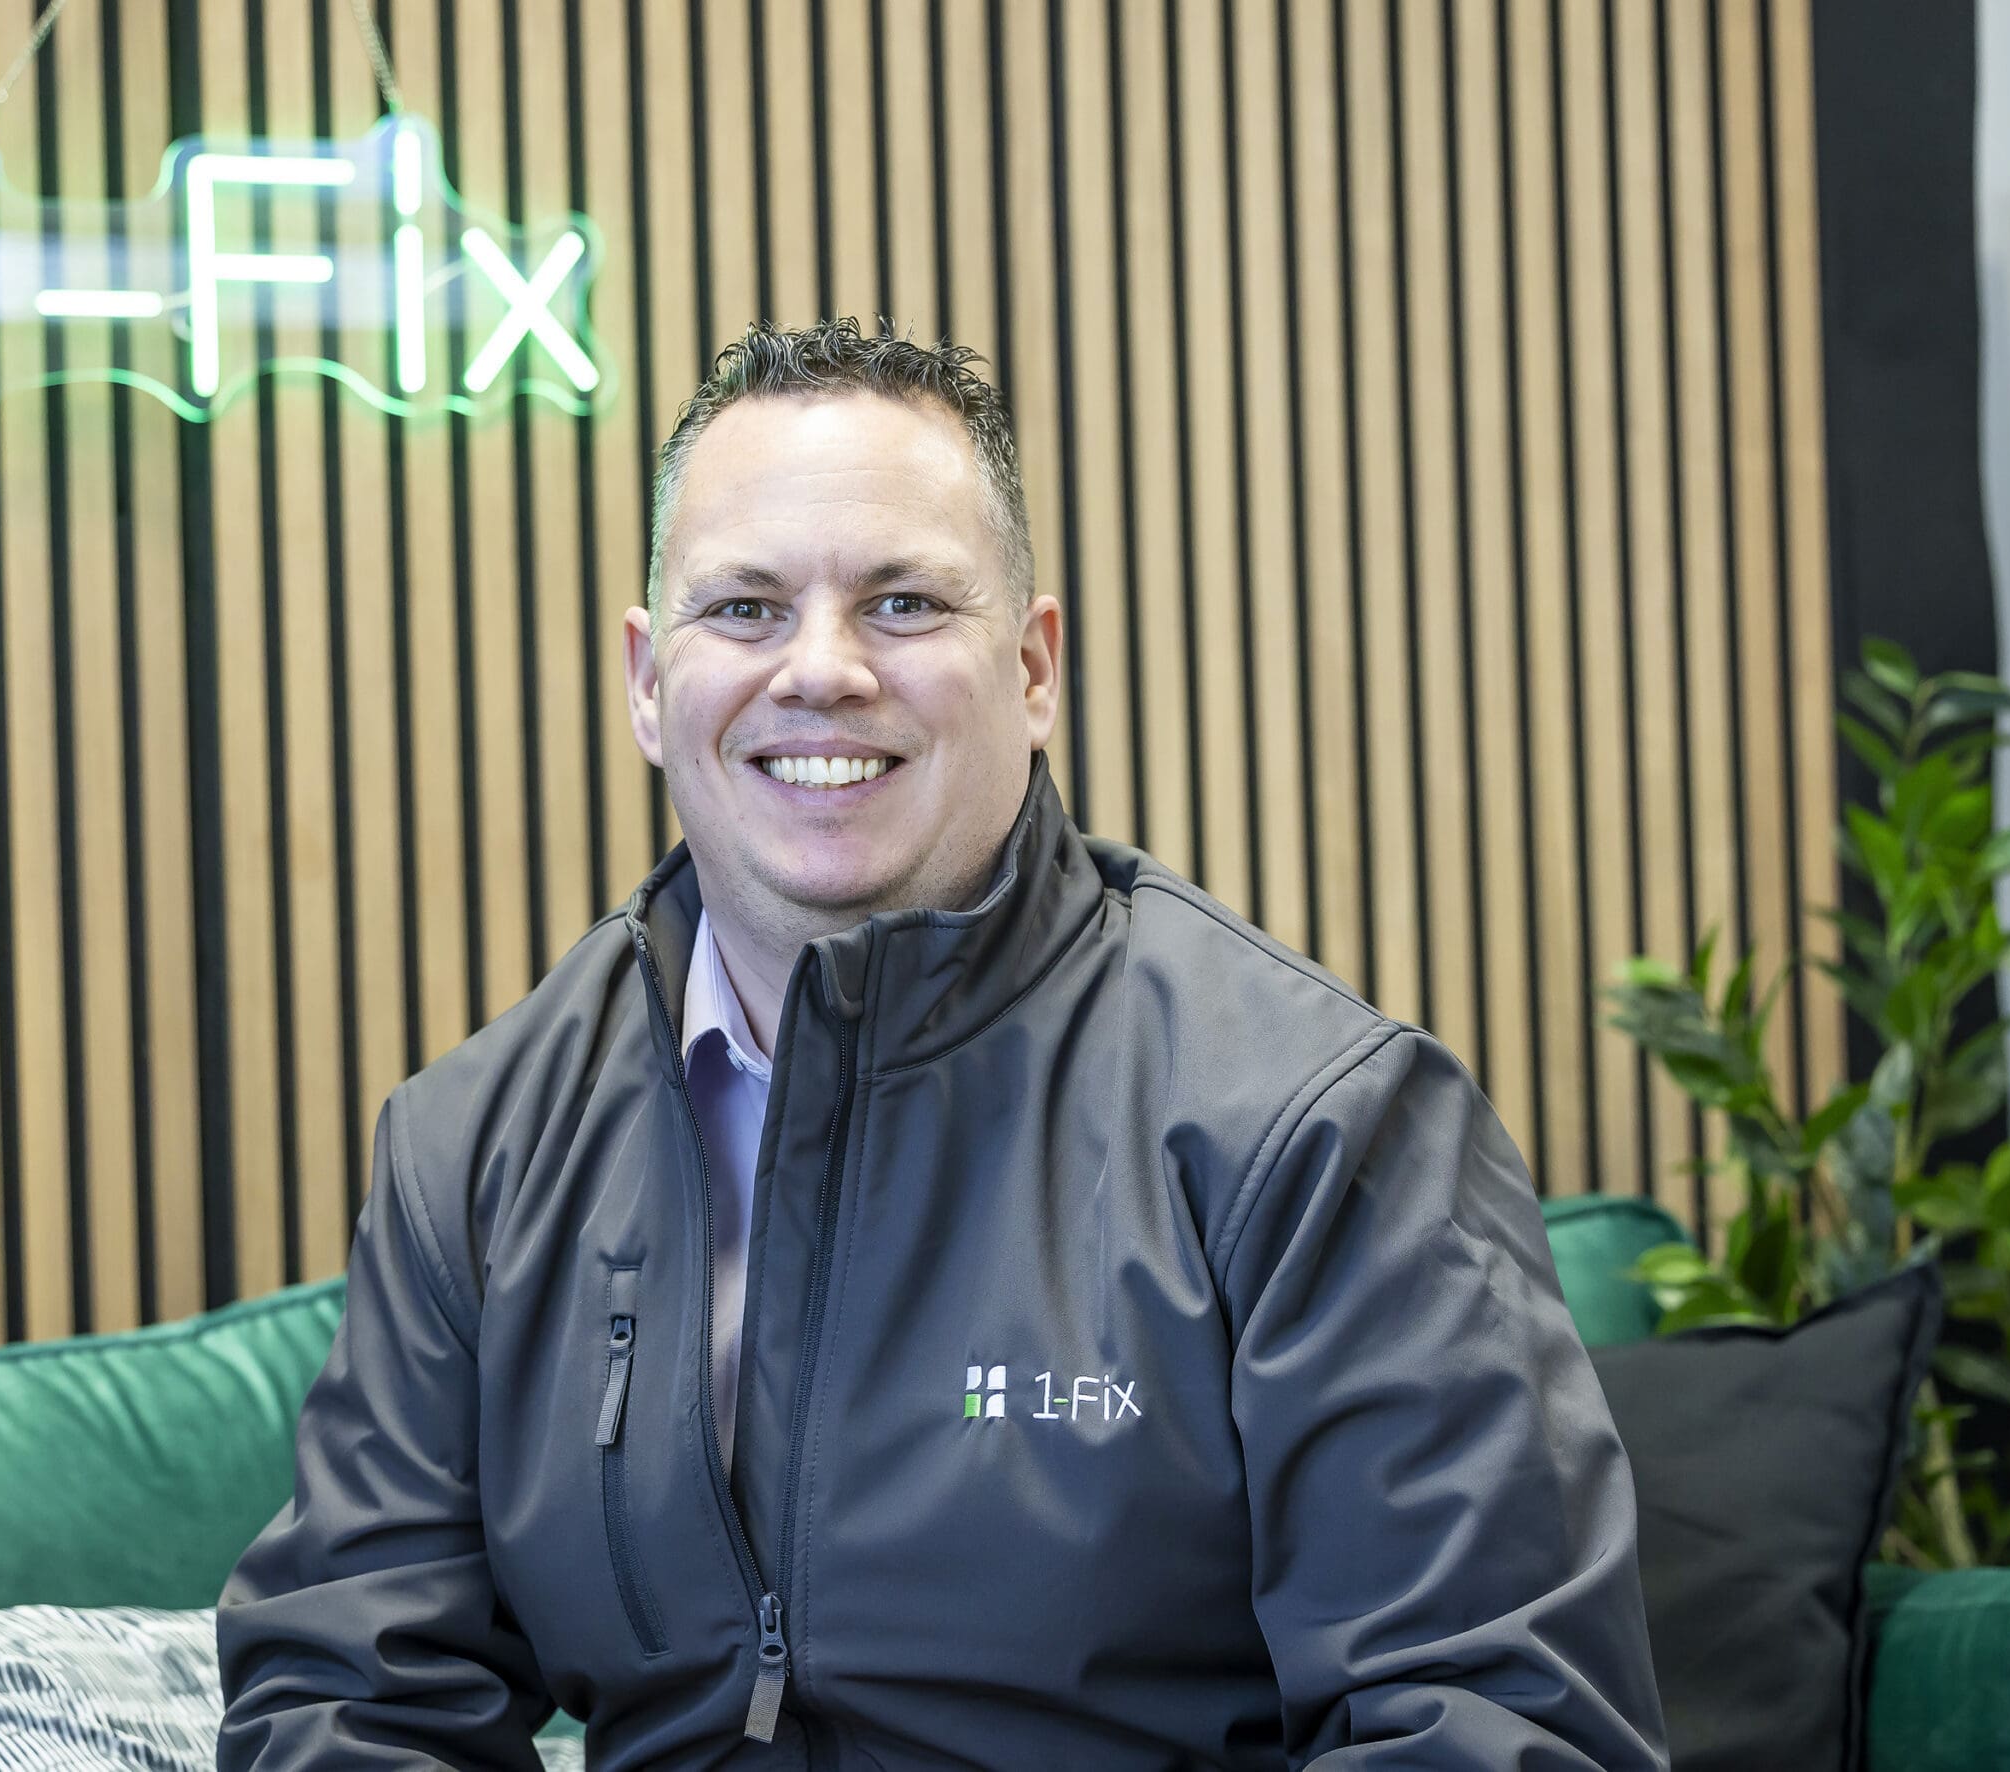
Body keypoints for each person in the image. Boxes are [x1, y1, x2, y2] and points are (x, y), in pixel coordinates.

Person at [215, 318, 1669, 1770]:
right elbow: (352, 1697)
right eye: (746, 609)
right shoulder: (474, 1149)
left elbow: (1497, 1724)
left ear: (1034, 671)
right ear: (651, 684)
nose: (820, 670)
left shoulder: (1317, 1125)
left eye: (903, 604)